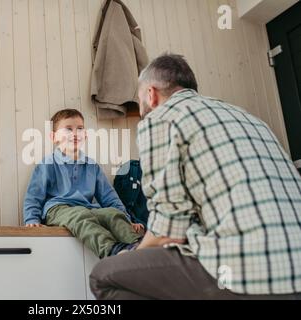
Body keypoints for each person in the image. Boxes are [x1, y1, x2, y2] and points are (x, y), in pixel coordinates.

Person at [90, 54, 301, 300]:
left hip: (251, 271)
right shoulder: (249, 118)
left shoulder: (160, 119)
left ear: (151, 94)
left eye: (138, 100)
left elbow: (169, 230)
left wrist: (135, 253)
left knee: (104, 276)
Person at [23, 109, 144, 258]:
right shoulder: (47, 164)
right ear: (54, 137)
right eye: (68, 129)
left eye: (80, 129)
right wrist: (32, 218)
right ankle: (112, 249)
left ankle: (140, 245)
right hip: (58, 209)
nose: (75, 134)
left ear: (85, 135)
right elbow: (34, 195)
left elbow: (109, 197)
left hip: (88, 208)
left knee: (112, 213)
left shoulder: (91, 165)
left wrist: (127, 218)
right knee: (80, 216)